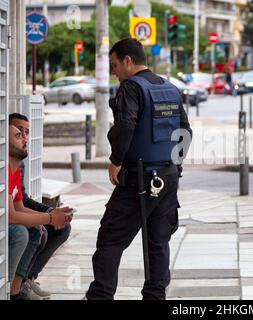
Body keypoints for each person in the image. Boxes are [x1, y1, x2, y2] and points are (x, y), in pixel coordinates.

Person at [85, 38, 192, 300]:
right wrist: (173, 166)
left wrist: (116, 160)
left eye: (114, 65)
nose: (113, 71)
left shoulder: (130, 87)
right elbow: (186, 131)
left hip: (138, 178)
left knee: (110, 239)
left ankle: (100, 296)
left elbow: (126, 125)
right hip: (167, 178)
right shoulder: (170, 87)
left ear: (128, 61)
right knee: (158, 243)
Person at [9, 113, 73, 300]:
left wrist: (51, 214)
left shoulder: (14, 167)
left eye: (26, 133)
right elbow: (12, 216)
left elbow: (19, 205)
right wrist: (49, 217)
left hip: (11, 218)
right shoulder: (5, 167)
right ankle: (12, 290)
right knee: (22, 232)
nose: (25, 138)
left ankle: (21, 284)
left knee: (39, 229)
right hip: (8, 225)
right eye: (19, 133)